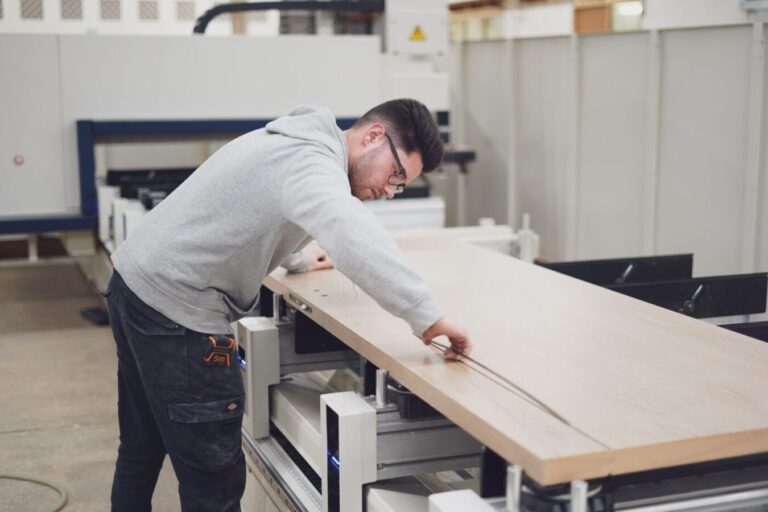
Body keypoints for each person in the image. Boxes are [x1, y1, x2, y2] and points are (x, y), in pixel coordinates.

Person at [104, 98, 473, 511]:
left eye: (400, 185)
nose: (390, 191)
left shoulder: (295, 145)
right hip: (176, 313)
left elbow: (258, 211)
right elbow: (351, 232)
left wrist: (297, 257)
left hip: (133, 286)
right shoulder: (312, 164)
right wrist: (427, 317)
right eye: (396, 174)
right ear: (373, 136)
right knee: (214, 485)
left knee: (140, 449)